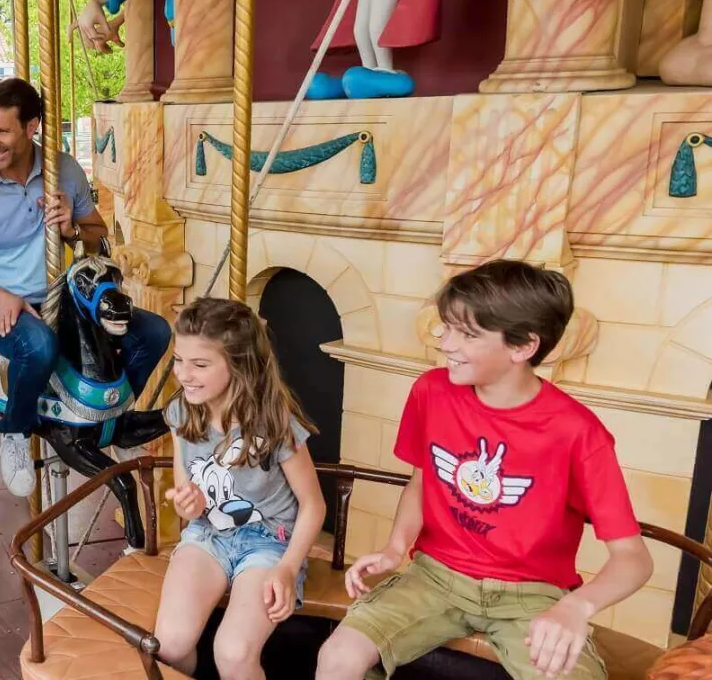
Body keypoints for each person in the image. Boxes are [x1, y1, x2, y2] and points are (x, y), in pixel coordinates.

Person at [316, 259, 654, 680]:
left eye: (468, 334)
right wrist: (394, 546)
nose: (446, 344)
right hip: (434, 577)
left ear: (523, 346)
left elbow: (633, 558)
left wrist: (576, 606)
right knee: (338, 658)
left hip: (533, 597)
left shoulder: (577, 432)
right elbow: (423, 481)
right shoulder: (431, 392)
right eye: (448, 327)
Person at [0, 77, 171, 497]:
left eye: (2, 131)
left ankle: (113, 416)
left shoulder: (63, 170)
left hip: (61, 298)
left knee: (154, 331)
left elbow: (98, 239)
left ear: (32, 127)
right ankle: (15, 430)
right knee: (39, 345)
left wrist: (72, 227)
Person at [154, 298, 326, 679]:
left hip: (270, 543)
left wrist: (287, 567)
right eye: (179, 360)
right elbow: (190, 503)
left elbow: (313, 505)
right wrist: (190, 503)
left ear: (240, 365)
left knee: (232, 653)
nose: (184, 374)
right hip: (207, 535)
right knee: (169, 645)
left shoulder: (276, 422)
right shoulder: (181, 412)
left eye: (200, 364)